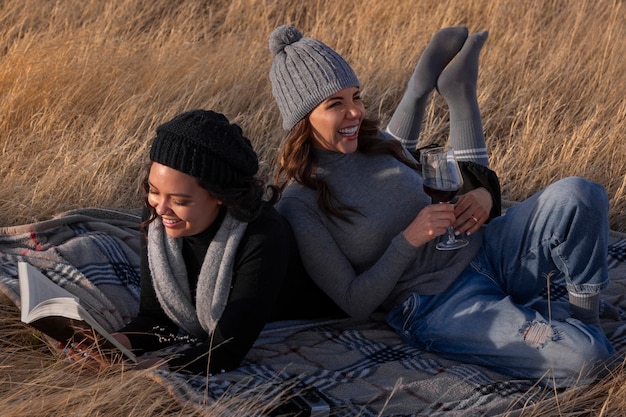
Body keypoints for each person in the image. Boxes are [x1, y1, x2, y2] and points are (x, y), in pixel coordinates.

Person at [267, 24, 618, 388]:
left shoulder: (380, 143)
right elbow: (354, 301)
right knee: (590, 361)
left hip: (488, 249)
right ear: (302, 119)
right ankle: (551, 327)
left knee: (580, 194)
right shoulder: (301, 202)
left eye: (356, 96)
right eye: (335, 104)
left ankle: (584, 320)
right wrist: (407, 240)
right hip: (439, 305)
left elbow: (443, 186)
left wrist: (482, 196)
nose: (355, 112)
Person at [62, 109, 340, 375]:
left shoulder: (262, 236)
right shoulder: (156, 218)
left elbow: (225, 350)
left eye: (180, 201)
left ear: (220, 195)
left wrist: (138, 371)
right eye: (154, 191)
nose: (161, 209)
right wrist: (116, 343)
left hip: (317, 310)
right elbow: (158, 321)